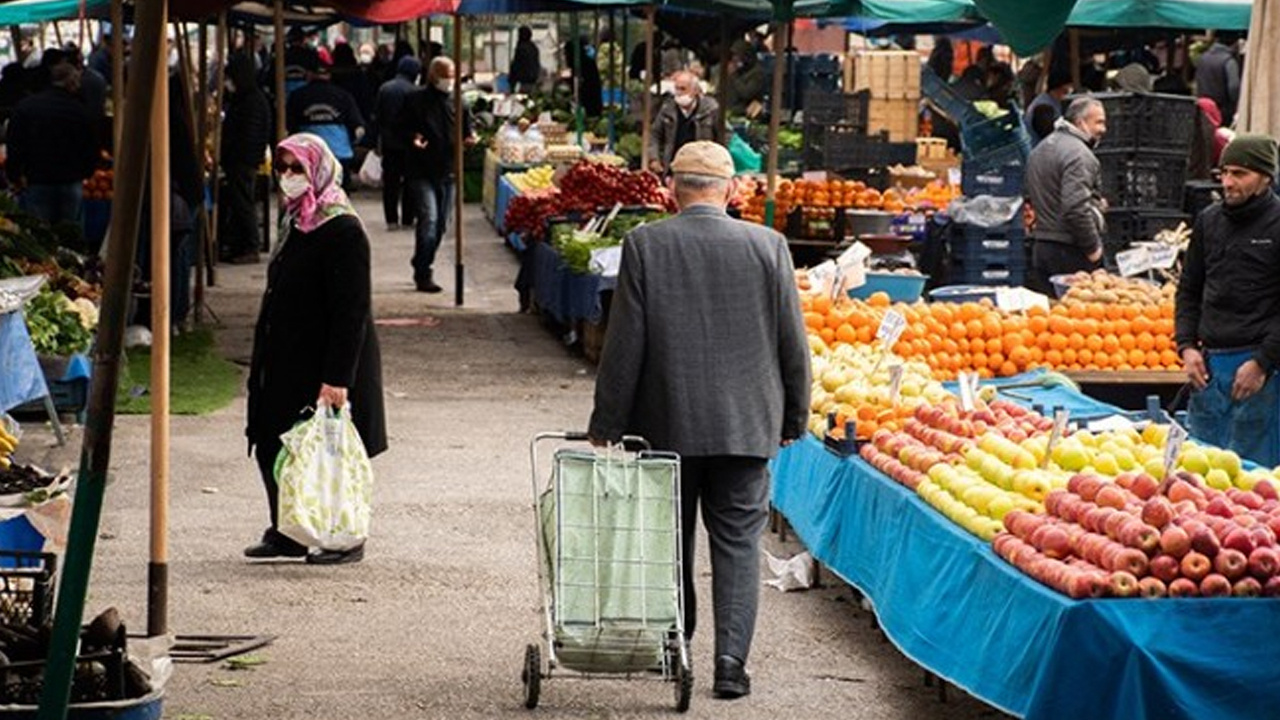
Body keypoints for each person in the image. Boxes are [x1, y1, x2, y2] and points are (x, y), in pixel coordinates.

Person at [587, 141, 810, 701]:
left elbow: (625, 344)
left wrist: (607, 420)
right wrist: (794, 415)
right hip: (746, 425)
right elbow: (793, 342)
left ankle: (676, 647)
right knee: (737, 544)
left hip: (666, 422)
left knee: (669, 540)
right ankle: (730, 664)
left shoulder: (645, 244)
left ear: (671, 190)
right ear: (733, 190)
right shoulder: (770, 246)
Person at [245, 133, 386, 565]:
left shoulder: (341, 227)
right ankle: (289, 530)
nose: (287, 178)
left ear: (319, 171)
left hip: (325, 359)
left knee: (327, 451)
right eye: (282, 168)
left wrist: (338, 377)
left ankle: (344, 536)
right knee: (276, 442)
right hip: (287, 355)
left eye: (297, 169)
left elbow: (352, 311)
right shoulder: (296, 220)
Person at [1175, 134, 1280, 466]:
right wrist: (1187, 346)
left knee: (1255, 481)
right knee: (1201, 475)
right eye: (1224, 173)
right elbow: (1189, 288)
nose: (1228, 183)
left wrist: (1262, 362)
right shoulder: (1209, 221)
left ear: (1265, 177)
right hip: (1209, 368)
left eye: (1240, 174)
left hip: (1261, 371)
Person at [398, 56, 475, 293]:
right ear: (433, 76)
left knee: (441, 224)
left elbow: (467, 131)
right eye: (445, 75)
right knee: (429, 220)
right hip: (420, 171)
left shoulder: (459, 102)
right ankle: (424, 271)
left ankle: (422, 260)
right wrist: (413, 138)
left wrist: (470, 139)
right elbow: (399, 127)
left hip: (449, 171)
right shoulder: (415, 100)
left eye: (452, 76)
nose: (449, 81)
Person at [1023, 97, 1108, 295]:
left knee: (1051, 318)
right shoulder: (1080, 155)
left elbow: (1037, 194)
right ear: (1080, 123)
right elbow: (1075, 208)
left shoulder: (1040, 149)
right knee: (1078, 319)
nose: (1103, 129)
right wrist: (1093, 249)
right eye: (1099, 122)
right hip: (1070, 249)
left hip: (1042, 246)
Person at [5, 61, 98, 229]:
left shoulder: (27, 107)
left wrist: (15, 174)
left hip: (38, 179)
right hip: (70, 180)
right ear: (72, 83)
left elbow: (15, 143)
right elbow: (91, 146)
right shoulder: (80, 111)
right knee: (71, 239)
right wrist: (86, 172)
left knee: (40, 237)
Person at [220, 50, 273, 264]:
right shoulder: (249, 98)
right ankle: (240, 244)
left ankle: (251, 246)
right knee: (240, 201)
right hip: (245, 159)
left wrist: (234, 153)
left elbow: (249, 134)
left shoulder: (251, 101)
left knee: (243, 202)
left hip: (243, 160)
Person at [286, 53, 366, 186]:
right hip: (339, 153)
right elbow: (358, 126)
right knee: (340, 194)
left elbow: (289, 125)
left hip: (309, 152)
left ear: (309, 74)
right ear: (329, 75)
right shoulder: (343, 95)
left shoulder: (297, 96)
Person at [373, 56, 421, 231]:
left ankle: (391, 219)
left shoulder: (385, 89)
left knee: (390, 183)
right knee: (410, 182)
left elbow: (377, 117)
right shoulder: (416, 91)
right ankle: (408, 218)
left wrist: (376, 142)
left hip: (389, 143)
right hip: (410, 145)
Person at [649, 71, 725, 176]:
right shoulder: (667, 109)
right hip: (673, 167)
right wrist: (654, 158)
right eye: (677, 88)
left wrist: (718, 160)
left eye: (683, 89)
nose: (679, 93)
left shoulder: (711, 109)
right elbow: (654, 134)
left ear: (695, 91)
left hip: (702, 168)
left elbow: (724, 135)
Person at [1195, 32, 1241, 127]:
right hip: (1223, 109)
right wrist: (1237, 103)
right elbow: (1234, 87)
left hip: (1202, 106)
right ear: (1234, 43)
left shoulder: (1203, 57)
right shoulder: (1229, 61)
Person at [1024, 67, 1073, 147]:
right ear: (1059, 87)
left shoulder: (1052, 101)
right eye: (1066, 90)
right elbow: (1048, 134)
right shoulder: (1043, 106)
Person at [563, 38, 603, 118]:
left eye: (566, 53)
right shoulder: (584, 63)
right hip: (589, 104)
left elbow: (586, 86)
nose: (565, 56)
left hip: (590, 105)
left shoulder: (584, 65)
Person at [725, 41, 766, 115]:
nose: (735, 58)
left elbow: (746, 93)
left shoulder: (757, 73)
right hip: (729, 107)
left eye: (737, 56)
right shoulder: (739, 70)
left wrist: (734, 76)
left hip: (744, 110)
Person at [508, 25, 541, 93]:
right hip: (533, 80)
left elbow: (516, 65)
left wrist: (512, 82)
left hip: (525, 81)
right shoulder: (533, 47)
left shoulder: (521, 48)